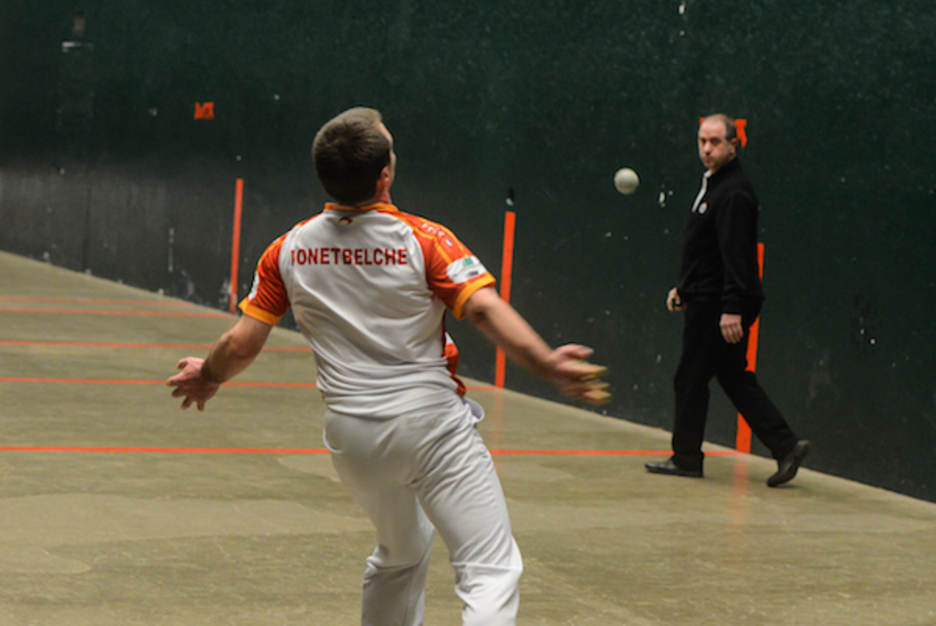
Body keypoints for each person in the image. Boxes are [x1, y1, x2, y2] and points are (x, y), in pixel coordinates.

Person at [167, 107, 609, 625]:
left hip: (351, 438)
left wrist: (209, 375)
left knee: (399, 554)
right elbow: (484, 308)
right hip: (430, 425)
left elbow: (241, 344)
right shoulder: (426, 241)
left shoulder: (286, 250)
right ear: (385, 175)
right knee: (489, 569)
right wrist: (548, 364)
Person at [645, 114, 809, 487]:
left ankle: (686, 457)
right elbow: (705, 251)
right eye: (702, 141)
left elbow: (736, 255)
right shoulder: (715, 185)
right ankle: (786, 446)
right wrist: (684, 289)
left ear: (734, 145)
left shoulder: (734, 192)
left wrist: (731, 307)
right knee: (733, 376)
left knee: (689, 377)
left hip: (720, 302)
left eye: (716, 142)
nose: (707, 149)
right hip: (707, 296)